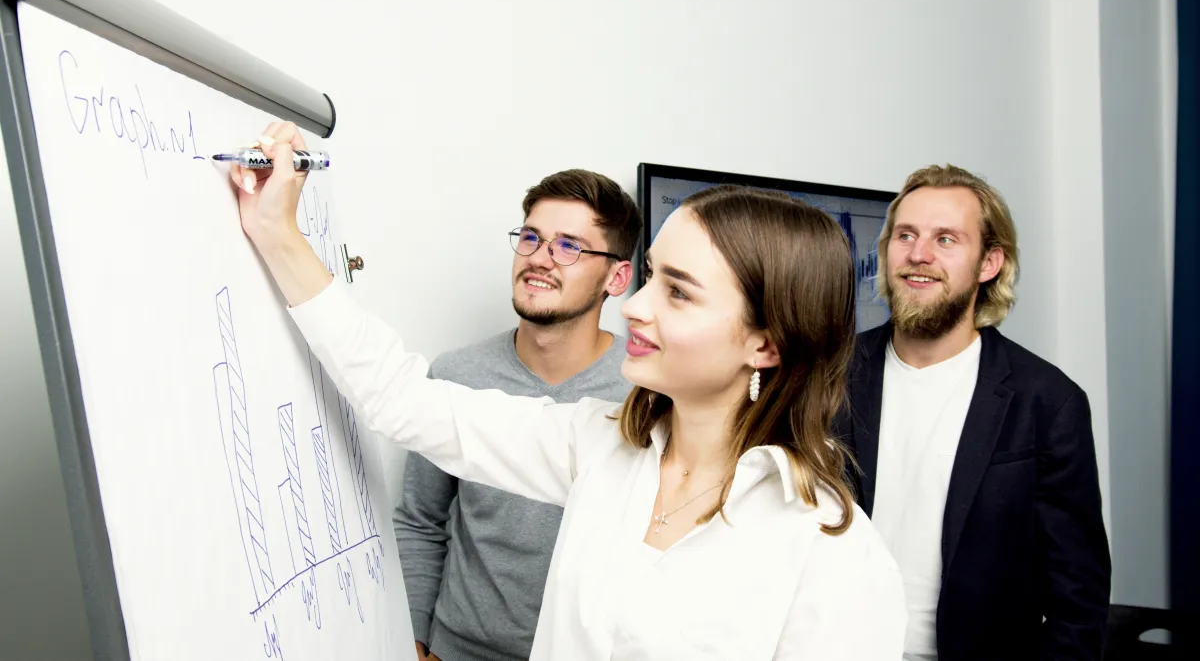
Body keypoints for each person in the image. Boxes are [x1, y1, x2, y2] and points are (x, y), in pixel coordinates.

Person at [228, 121, 906, 660]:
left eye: (678, 292)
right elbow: (405, 400)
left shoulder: (829, 549)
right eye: (650, 278)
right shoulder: (601, 446)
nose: (637, 307)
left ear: (765, 342)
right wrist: (277, 232)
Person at [835, 164, 1111, 660]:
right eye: (906, 235)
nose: (919, 255)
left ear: (989, 263)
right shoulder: (828, 378)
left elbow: (1078, 603)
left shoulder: (1047, 402)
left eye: (946, 239)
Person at [392, 169, 639, 661]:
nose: (540, 259)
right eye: (531, 238)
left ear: (616, 277)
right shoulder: (456, 375)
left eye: (569, 246)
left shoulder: (643, 396)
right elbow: (420, 521)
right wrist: (415, 639)